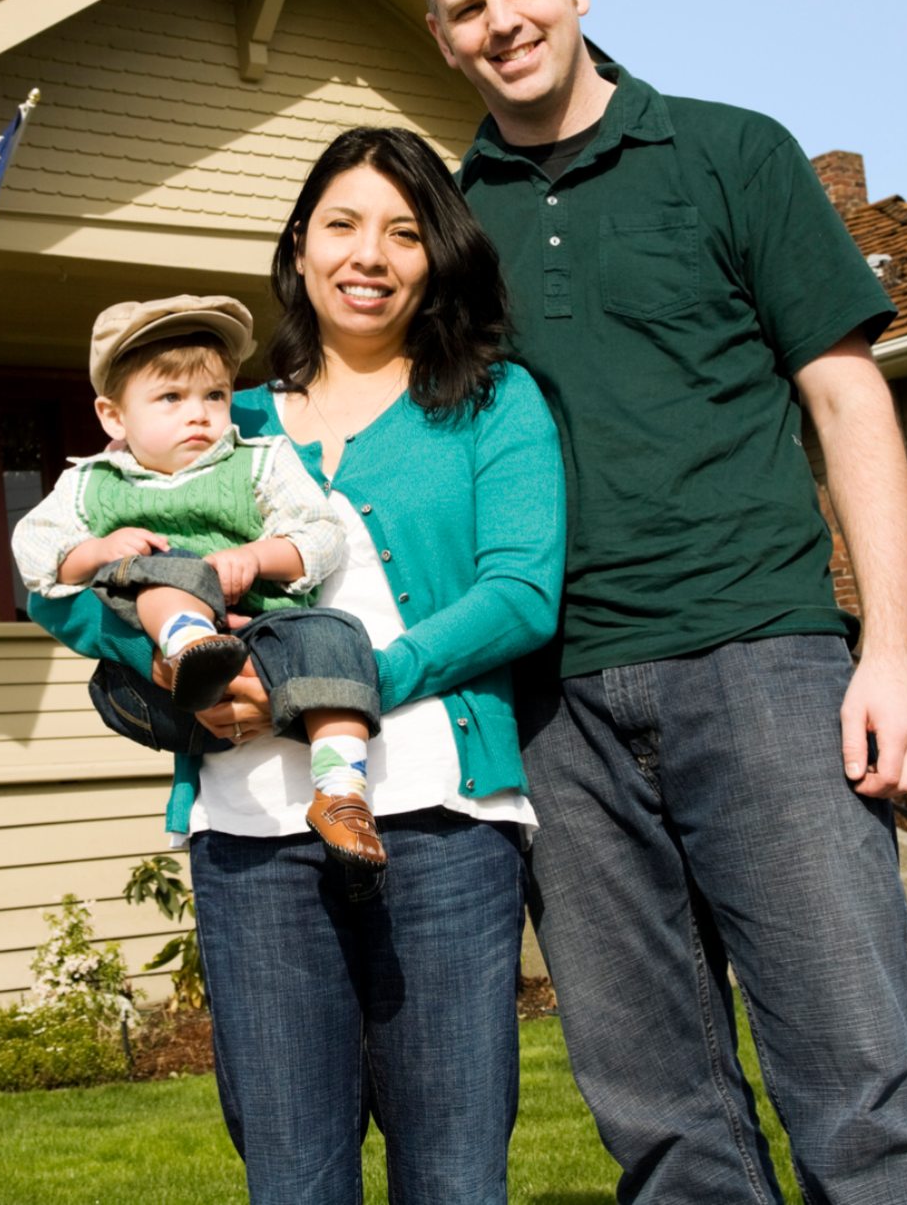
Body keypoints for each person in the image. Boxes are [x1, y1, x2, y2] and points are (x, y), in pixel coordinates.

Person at [411, 0, 907, 1203]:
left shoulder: (732, 152)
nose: (502, 22)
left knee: (862, 1095)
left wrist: (889, 647)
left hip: (765, 666)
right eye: (466, 7)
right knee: (664, 1124)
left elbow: (846, 396)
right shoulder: (447, 222)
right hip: (553, 706)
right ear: (440, 34)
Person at [33, 128, 564, 1205]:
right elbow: (85, 593)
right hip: (250, 836)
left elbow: (521, 594)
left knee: (457, 1174)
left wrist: (342, 682)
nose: (370, 255)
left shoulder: (491, 402)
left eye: (405, 232)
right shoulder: (221, 414)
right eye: (343, 225)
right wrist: (181, 670)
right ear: (300, 245)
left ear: (438, 257)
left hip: (443, 822)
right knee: (291, 1177)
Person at [10, 294, 388, 869]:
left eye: (214, 395)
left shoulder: (258, 460)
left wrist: (261, 556)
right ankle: (191, 646)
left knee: (336, 632)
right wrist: (96, 552)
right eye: (170, 398)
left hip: (268, 637)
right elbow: (34, 552)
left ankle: (341, 794)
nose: (199, 413)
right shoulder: (89, 484)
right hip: (158, 682)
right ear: (114, 416)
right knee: (167, 567)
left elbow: (322, 533)